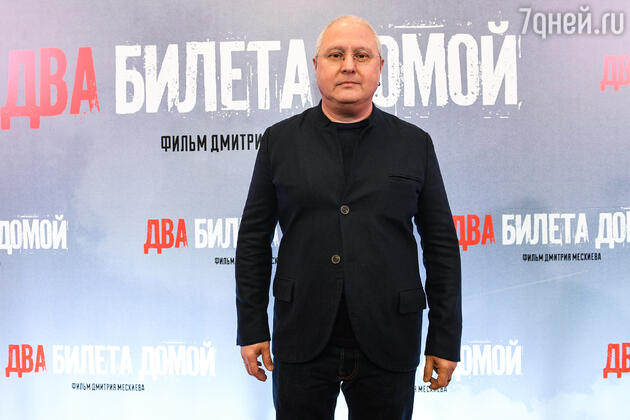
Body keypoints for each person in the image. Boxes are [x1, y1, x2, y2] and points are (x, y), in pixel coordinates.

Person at [235, 15, 461, 420]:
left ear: (380, 67)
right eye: (336, 55)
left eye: (362, 55)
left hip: (390, 335)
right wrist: (252, 327)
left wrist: (444, 338)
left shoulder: (414, 144)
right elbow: (253, 241)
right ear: (316, 65)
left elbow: (441, 246)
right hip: (301, 334)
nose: (349, 66)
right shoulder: (279, 142)